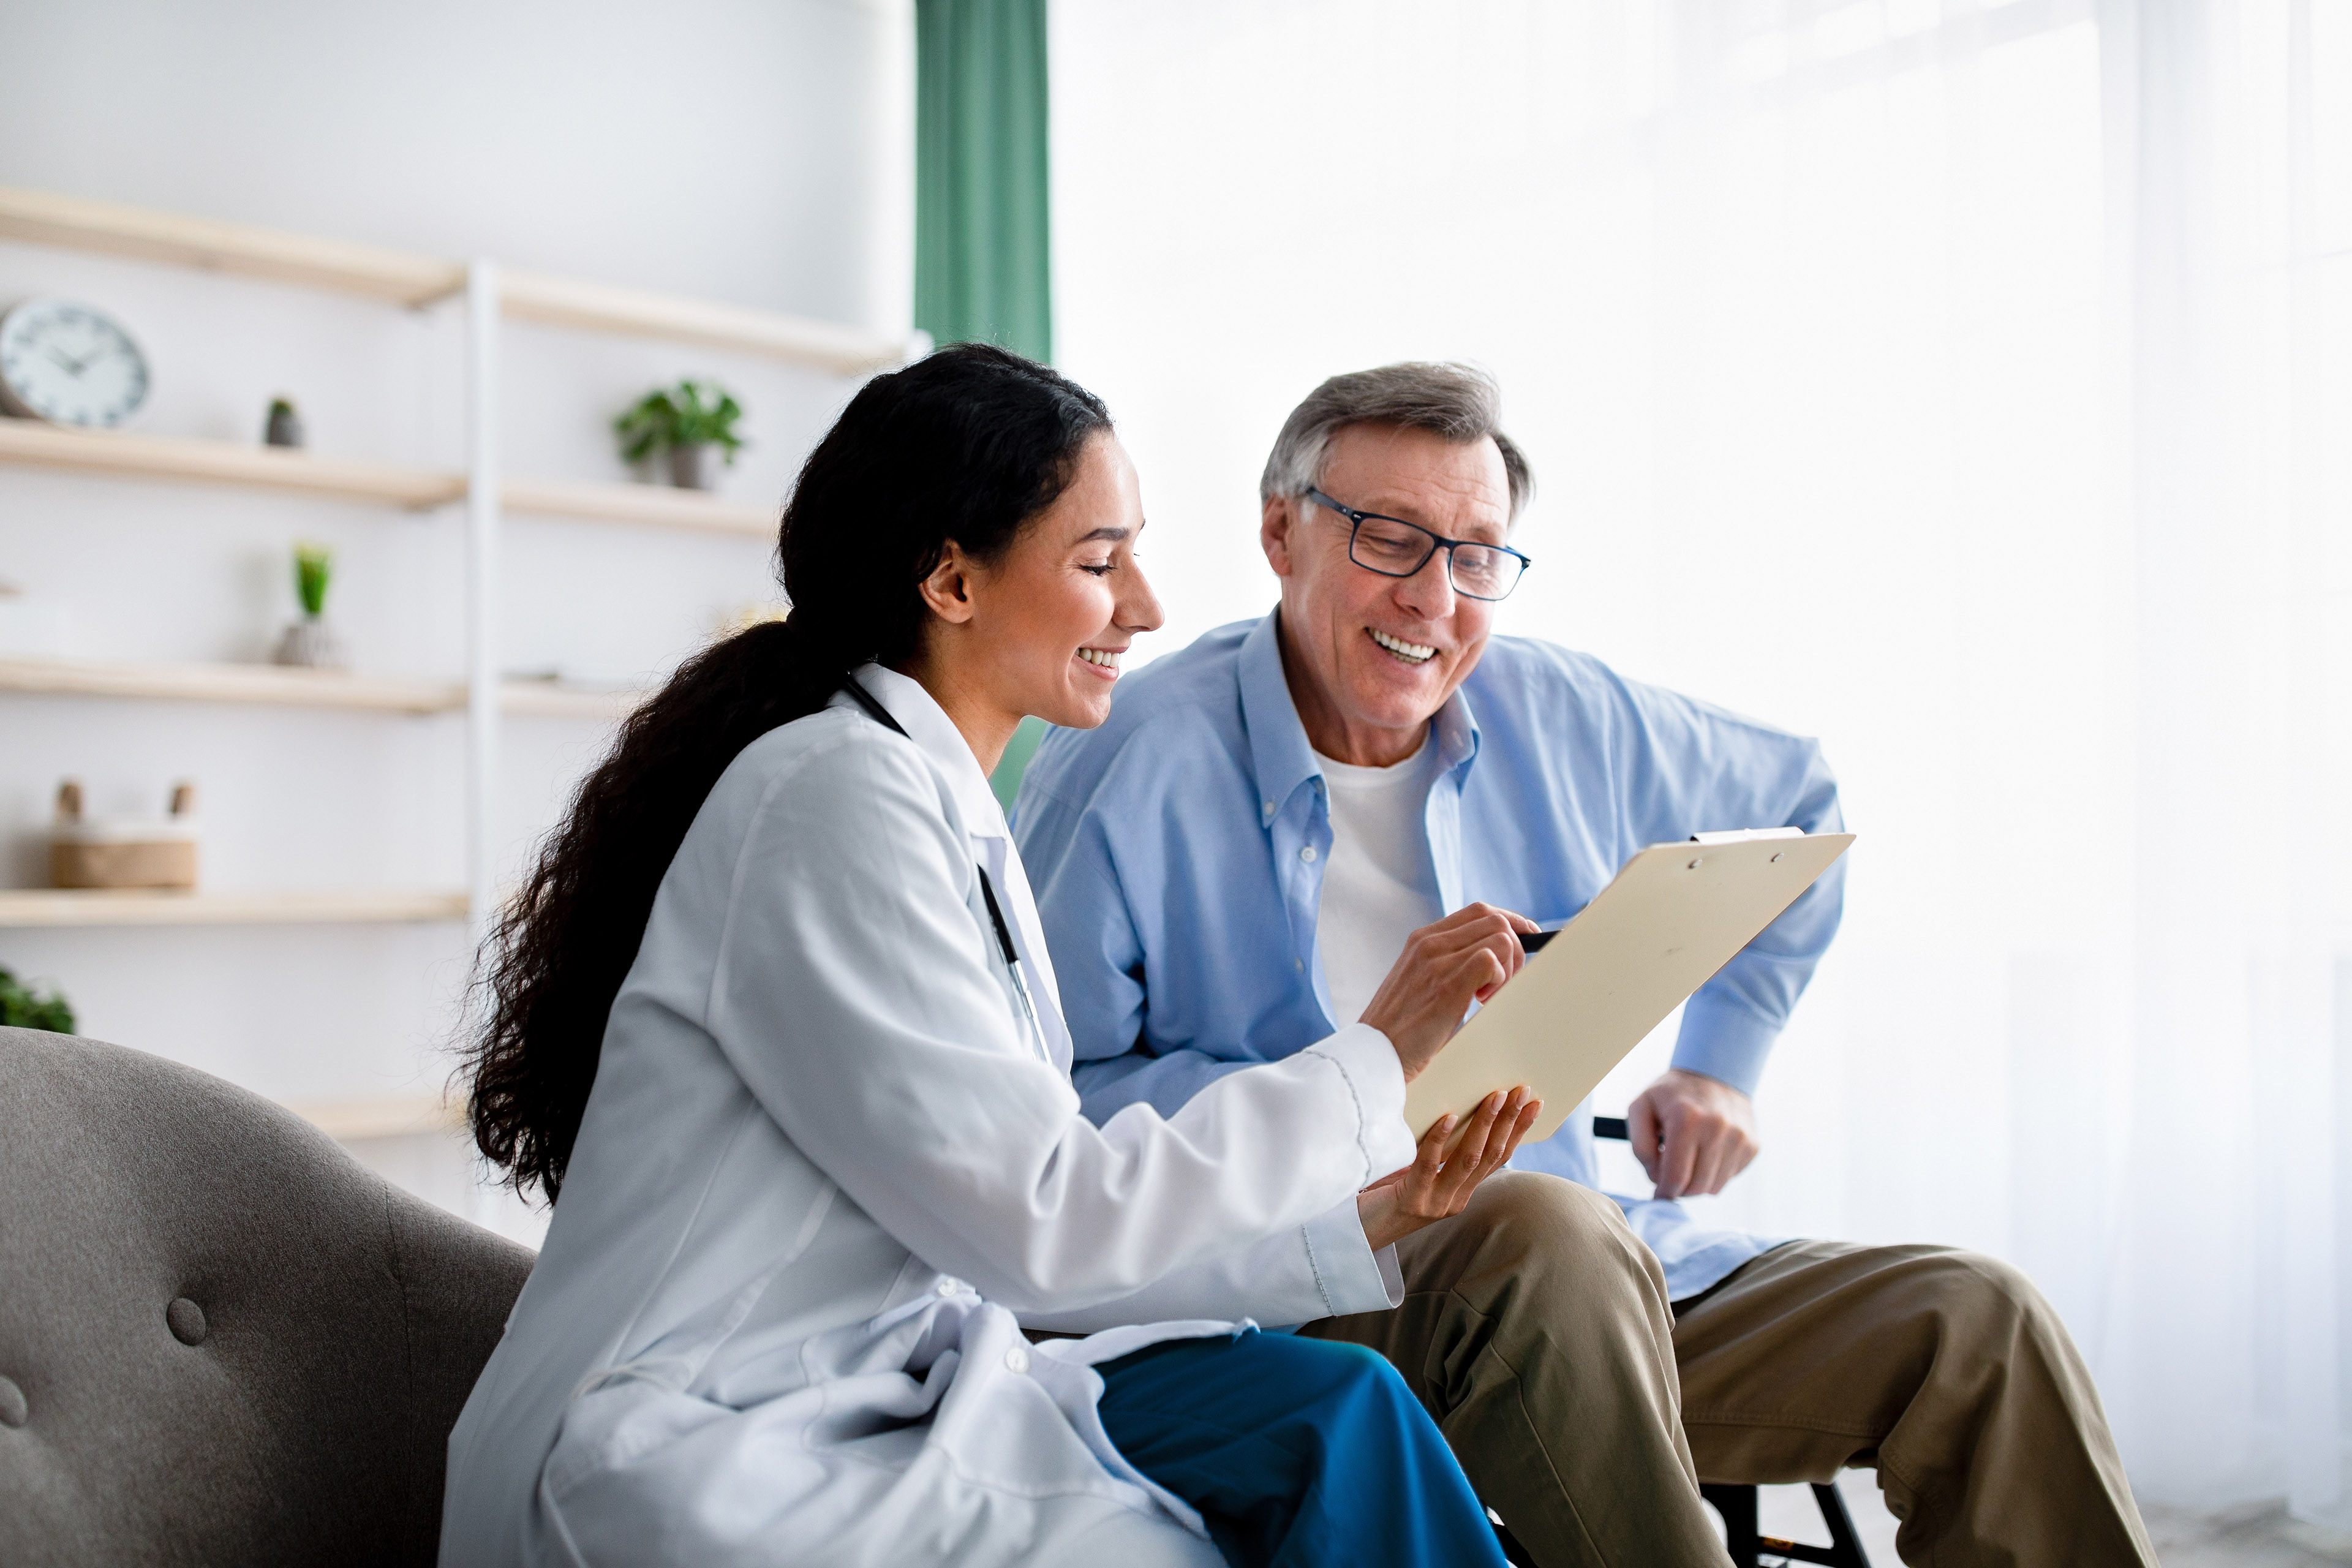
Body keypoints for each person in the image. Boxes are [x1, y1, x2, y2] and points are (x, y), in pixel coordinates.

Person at [1014, 363, 2160, 1568]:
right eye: (1391, 539)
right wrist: (1352, 1089)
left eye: (1475, 556)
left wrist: (1722, 1065)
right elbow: (1050, 1112)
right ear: (1279, 530)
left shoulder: (1562, 709)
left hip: (1596, 1280)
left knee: (1978, 1318)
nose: (1435, 597)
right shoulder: (1127, 759)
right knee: (1542, 1231)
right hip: (1305, 1278)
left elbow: (1798, 804)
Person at [439, 345, 1545, 1568]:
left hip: (869, 1388)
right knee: (1265, 1480)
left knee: (1342, 1411)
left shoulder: (934, 798)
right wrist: (1376, 1056)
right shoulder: (831, 797)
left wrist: (1353, 1222)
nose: (1146, 605)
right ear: (953, 579)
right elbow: (1043, 1225)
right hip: (688, 1442)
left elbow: (1014, 1234)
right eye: (1098, 560)